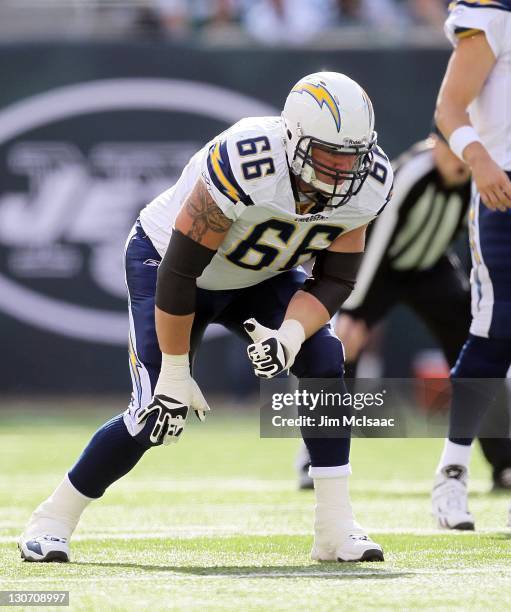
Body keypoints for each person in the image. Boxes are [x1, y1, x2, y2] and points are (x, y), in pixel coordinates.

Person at [18, 72, 393, 563]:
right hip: (170, 265)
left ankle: (335, 526)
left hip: (259, 273)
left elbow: (336, 278)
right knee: (156, 407)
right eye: (330, 154)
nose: (345, 168)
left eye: (354, 155)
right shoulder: (247, 159)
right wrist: (176, 371)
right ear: (296, 138)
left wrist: (290, 334)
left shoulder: (369, 181)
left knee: (324, 355)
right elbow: (179, 270)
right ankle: (52, 520)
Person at [297, 132, 511, 491]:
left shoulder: (474, 176)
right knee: (342, 342)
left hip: (431, 268)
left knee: (477, 348)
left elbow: (469, 233)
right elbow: (377, 240)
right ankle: (313, 457)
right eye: (452, 150)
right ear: (434, 144)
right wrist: (353, 306)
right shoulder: (412, 174)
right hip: (381, 268)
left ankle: (505, 461)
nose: (459, 160)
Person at [430, 0, 511, 530]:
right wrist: (479, 158)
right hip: (505, 190)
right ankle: (451, 474)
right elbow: (449, 107)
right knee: (495, 329)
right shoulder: (492, 11)